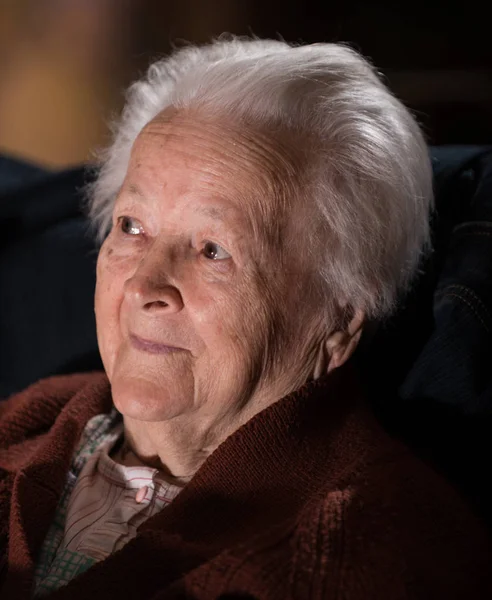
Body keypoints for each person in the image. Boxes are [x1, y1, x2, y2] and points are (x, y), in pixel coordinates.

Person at [0, 37, 490, 599]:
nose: (143, 285)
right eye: (132, 226)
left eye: (214, 250)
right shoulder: (32, 419)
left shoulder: (371, 553)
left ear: (341, 316)